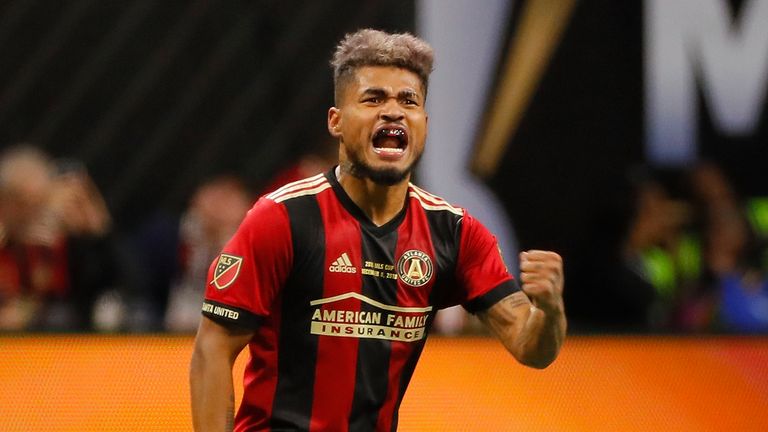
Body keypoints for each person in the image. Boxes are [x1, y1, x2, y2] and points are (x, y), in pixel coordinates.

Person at [190, 29, 566, 431]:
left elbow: (531, 346)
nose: (393, 111)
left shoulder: (455, 232)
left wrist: (550, 310)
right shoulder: (282, 218)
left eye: (409, 101)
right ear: (336, 121)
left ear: (423, 122)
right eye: (373, 99)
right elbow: (212, 349)